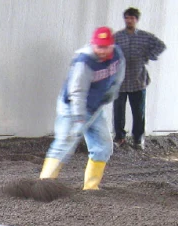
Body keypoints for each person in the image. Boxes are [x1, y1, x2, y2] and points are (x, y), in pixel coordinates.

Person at [39, 27, 125, 191]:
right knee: (64, 143)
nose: (102, 51)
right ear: (93, 44)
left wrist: (112, 91)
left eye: (106, 47)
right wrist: (79, 119)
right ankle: (43, 186)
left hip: (95, 107)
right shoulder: (85, 62)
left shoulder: (117, 54)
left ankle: (91, 187)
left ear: (112, 45)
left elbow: (119, 74)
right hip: (72, 108)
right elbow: (77, 92)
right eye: (99, 47)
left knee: (103, 145)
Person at [113, 7, 166, 150]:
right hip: (120, 81)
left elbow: (160, 46)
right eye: (127, 18)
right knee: (118, 112)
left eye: (132, 18)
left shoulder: (144, 37)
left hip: (138, 80)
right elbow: (109, 52)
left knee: (138, 112)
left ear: (136, 20)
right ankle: (119, 137)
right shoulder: (117, 37)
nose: (129, 20)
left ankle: (138, 138)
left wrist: (148, 55)